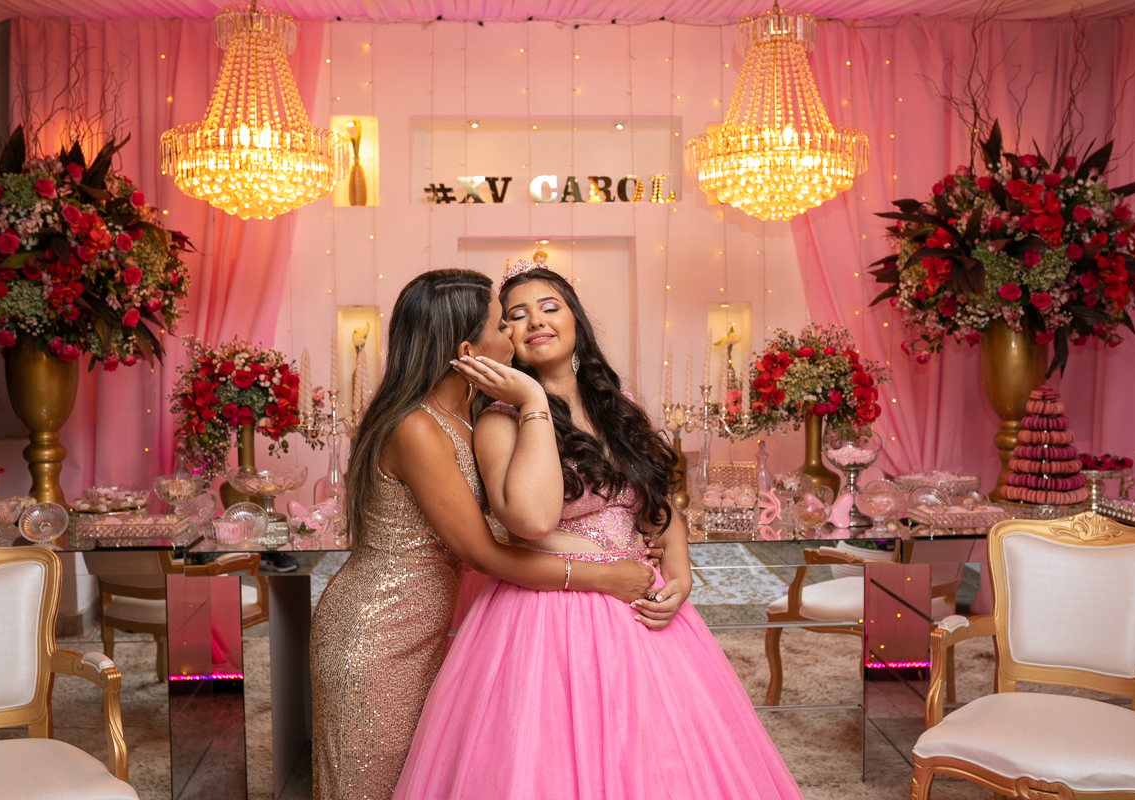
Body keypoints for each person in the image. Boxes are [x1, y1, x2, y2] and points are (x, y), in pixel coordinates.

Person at [393, 261, 804, 800]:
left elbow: (655, 497)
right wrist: (531, 402)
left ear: (576, 321)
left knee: (663, 756)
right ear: (504, 338)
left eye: (550, 307)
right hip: (552, 612)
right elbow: (525, 521)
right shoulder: (498, 420)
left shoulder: (618, 405)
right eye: (514, 316)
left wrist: (679, 566)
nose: (535, 321)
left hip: (642, 599)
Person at [310, 269, 657, 800]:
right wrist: (601, 578)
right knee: (371, 784)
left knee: (426, 776)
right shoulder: (418, 428)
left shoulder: (470, 415)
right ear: (470, 348)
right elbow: (485, 553)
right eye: (505, 321)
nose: (518, 331)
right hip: (378, 628)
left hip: (431, 621)